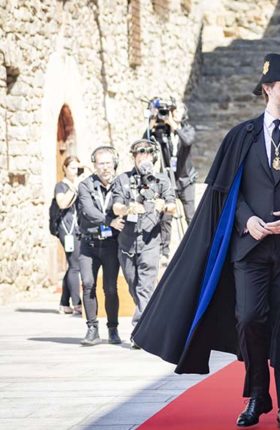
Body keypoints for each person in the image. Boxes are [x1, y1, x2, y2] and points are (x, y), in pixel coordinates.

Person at [131, 53, 280, 430]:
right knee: (248, 319)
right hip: (248, 249)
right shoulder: (241, 136)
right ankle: (258, 394)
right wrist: (247, 219)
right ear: (267, 89)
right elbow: (225, 193)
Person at [112, 140, 176, 340]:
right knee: (133, 285)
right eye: (140, 153)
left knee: (145, 287)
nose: (144, 157)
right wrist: (127, 209)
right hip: (127, 243)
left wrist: (164, 205)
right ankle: (148, 316)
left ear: (153, 157)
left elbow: (173, 206)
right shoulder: (122, 179)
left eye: (147, 153)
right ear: (134, 157)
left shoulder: (162, 180)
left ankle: (139, 332)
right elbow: (116, 206)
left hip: (150, 241)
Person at [77, 146, 124, 345]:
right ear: (94, 165)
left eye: (108, 163)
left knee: (110, 288)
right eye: (100, 163)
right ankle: (92, 329)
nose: (105, 167)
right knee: (88, 284)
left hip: (111, 244)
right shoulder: (85, 185)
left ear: (114, 164)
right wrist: (109, 221)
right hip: (88, 243)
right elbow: (88, 210)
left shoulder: (121, 184)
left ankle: (113, 329)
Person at [145, 100, 198, 265]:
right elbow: (145, 143)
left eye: (178, 109)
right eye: (173, 110)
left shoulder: (187, 129)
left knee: (191, 216)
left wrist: (173, 125)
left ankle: (195, 248)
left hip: (186, 180)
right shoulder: (162, 131)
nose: (174, 112)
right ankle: (164, 253)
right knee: (166, 216)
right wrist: (152, 123)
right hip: (168, 180)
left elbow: (187, 141)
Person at [54, 156, 83, 315]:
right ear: (64, 168)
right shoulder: (61, 186)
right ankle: (76, 303)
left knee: (73, 264)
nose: (75, 171)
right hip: (67, 229)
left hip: (77, 229)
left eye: (77, 168)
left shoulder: (79, 184)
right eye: (72, 167)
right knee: (75, 265)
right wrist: (73, 187)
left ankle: (64, 303)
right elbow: (62, 204)